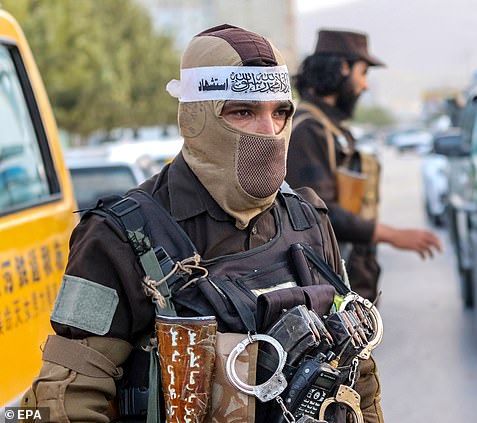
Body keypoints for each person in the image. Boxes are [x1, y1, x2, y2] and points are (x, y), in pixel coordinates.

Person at [23, 25, 383, 423]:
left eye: (280, 112)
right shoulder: (120, 236)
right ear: (195, 118)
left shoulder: (310, 221)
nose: (270, 132)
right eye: (243, 111)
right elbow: (66, 399)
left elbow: (357, 375)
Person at [287, 29, 442, 303]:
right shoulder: (308, 130)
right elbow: (318, 213)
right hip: (331, 285)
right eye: (363, 73)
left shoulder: (329, 127)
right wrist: (392, 235)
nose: (365, 85)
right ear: (343, 69)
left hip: (351, 281)